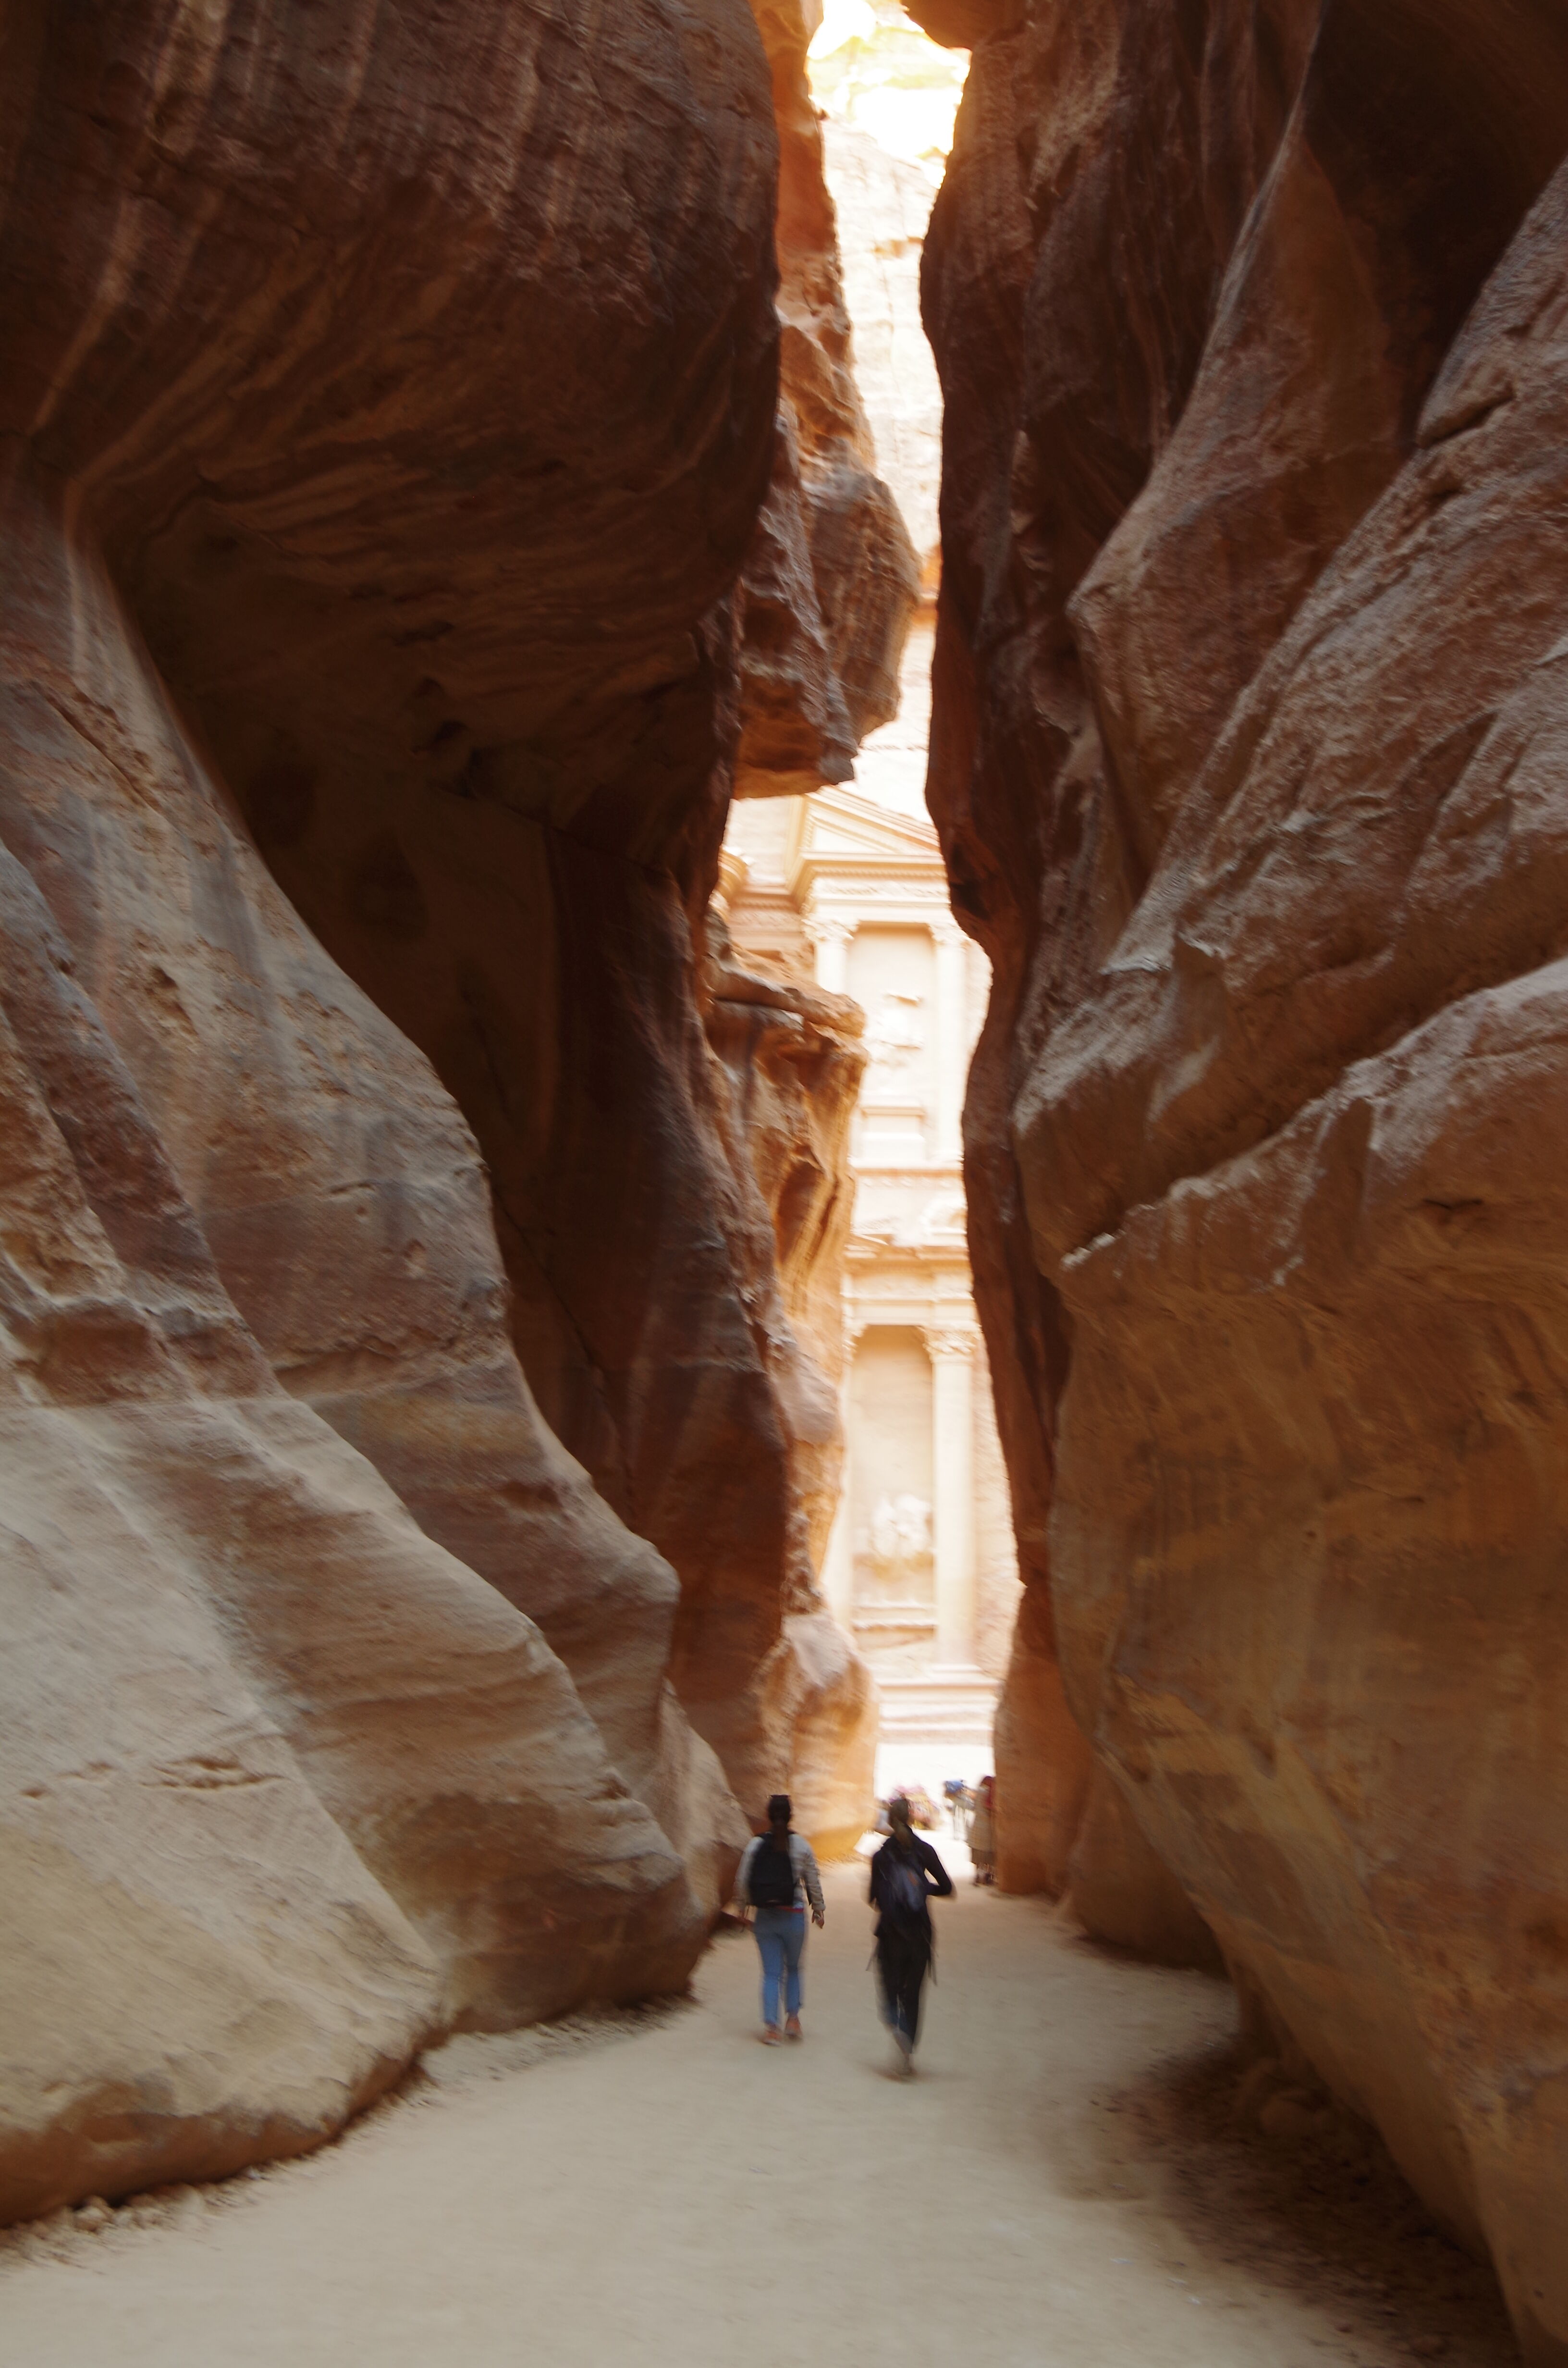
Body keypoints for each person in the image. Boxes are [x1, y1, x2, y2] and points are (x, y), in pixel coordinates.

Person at [868, 1794, 953, 2074]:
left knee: (891, 1991)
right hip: (920, 1933)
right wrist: (923, 1888)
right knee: (913, 1995)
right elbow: (947, 1888)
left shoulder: (881, 1856)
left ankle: (896, 2027)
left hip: (891, 1934)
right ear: (912, 1819)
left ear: (890, 1820)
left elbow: (872, 1898)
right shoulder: (925, 1851)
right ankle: (906, 2053)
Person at [734, 1793, 825, 2044]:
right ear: (791, 1816)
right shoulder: (801, 1846)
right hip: (794, 1916)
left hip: (766, 1917)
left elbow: (742, 1879)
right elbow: (813, 1880)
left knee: (771, 1973)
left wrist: (742, 1906)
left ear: (768, 1815)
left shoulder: (756, 1845)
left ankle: (772, 2029)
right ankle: (793, 2020)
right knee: (794, 1968)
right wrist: (818, 1908)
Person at [968, 1773, 996, 1885]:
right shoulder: (988, 1792)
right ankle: (987, 1877)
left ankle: (978, 1876)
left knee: (978, 1854)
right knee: (988, 1854)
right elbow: (990, 1807)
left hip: (976, 1826)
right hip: (987, 1827)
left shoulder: (978, 1792)